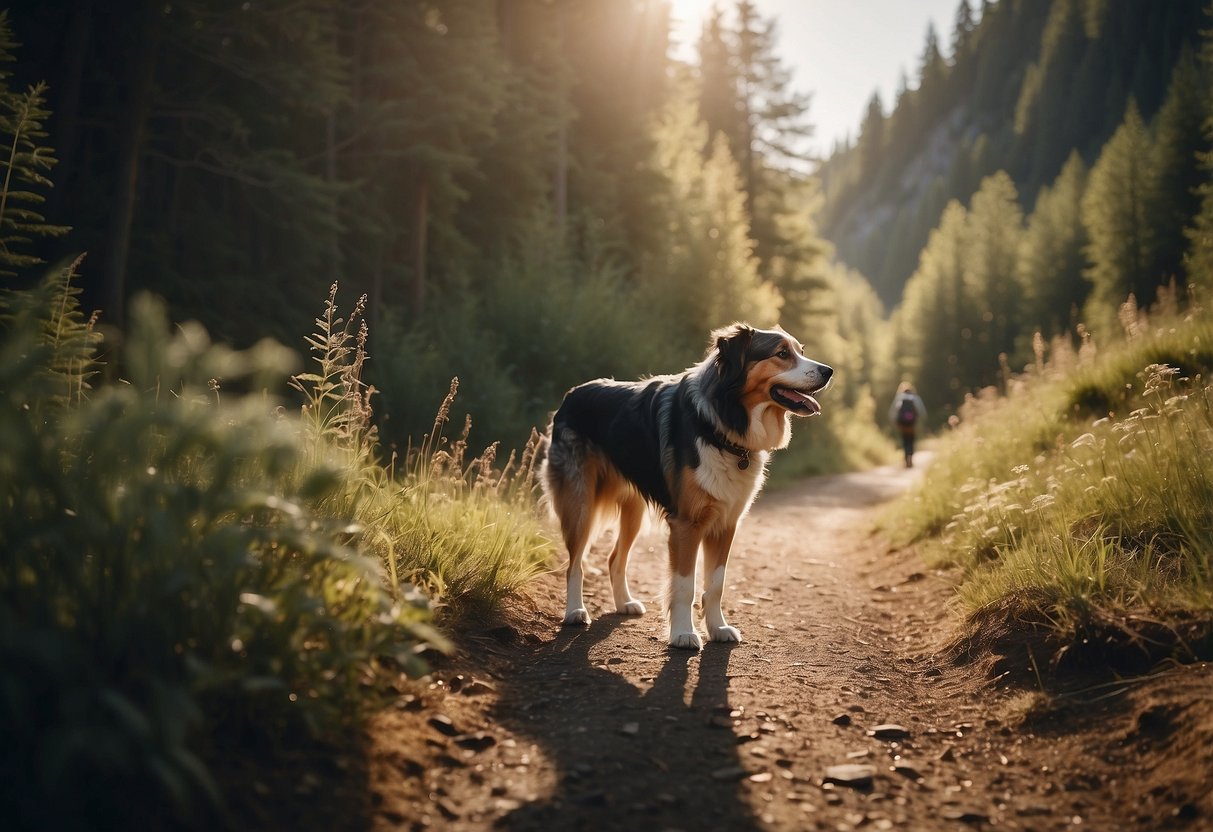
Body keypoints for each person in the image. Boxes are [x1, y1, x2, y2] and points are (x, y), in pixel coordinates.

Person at [888, 382, 927, 468]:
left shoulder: (899, 397)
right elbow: (921, 411)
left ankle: (906, 459)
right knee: (911, 440)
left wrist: (894, 422)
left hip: (902, 424)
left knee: (905, 440)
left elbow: (893, 411)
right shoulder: (915, 398)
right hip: (912, 424)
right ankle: (911, 458)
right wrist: (921, 422)